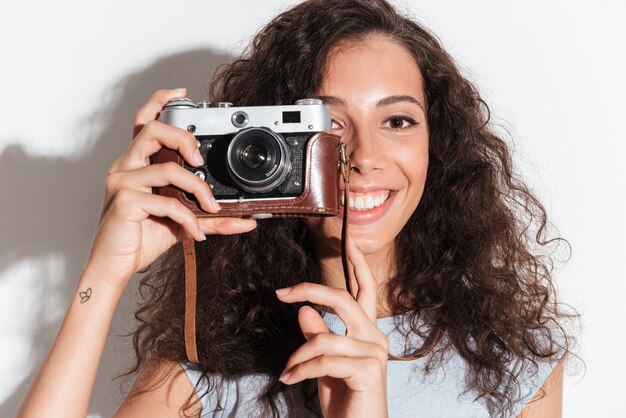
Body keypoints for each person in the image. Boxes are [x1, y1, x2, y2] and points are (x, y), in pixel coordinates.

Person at [17, 0, 576, 417]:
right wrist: (104, 274)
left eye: (397, 120)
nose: (361, 158)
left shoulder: (512, 366)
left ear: (440, 143)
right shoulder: (210, 371)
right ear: (265, 149)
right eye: (327, 126)